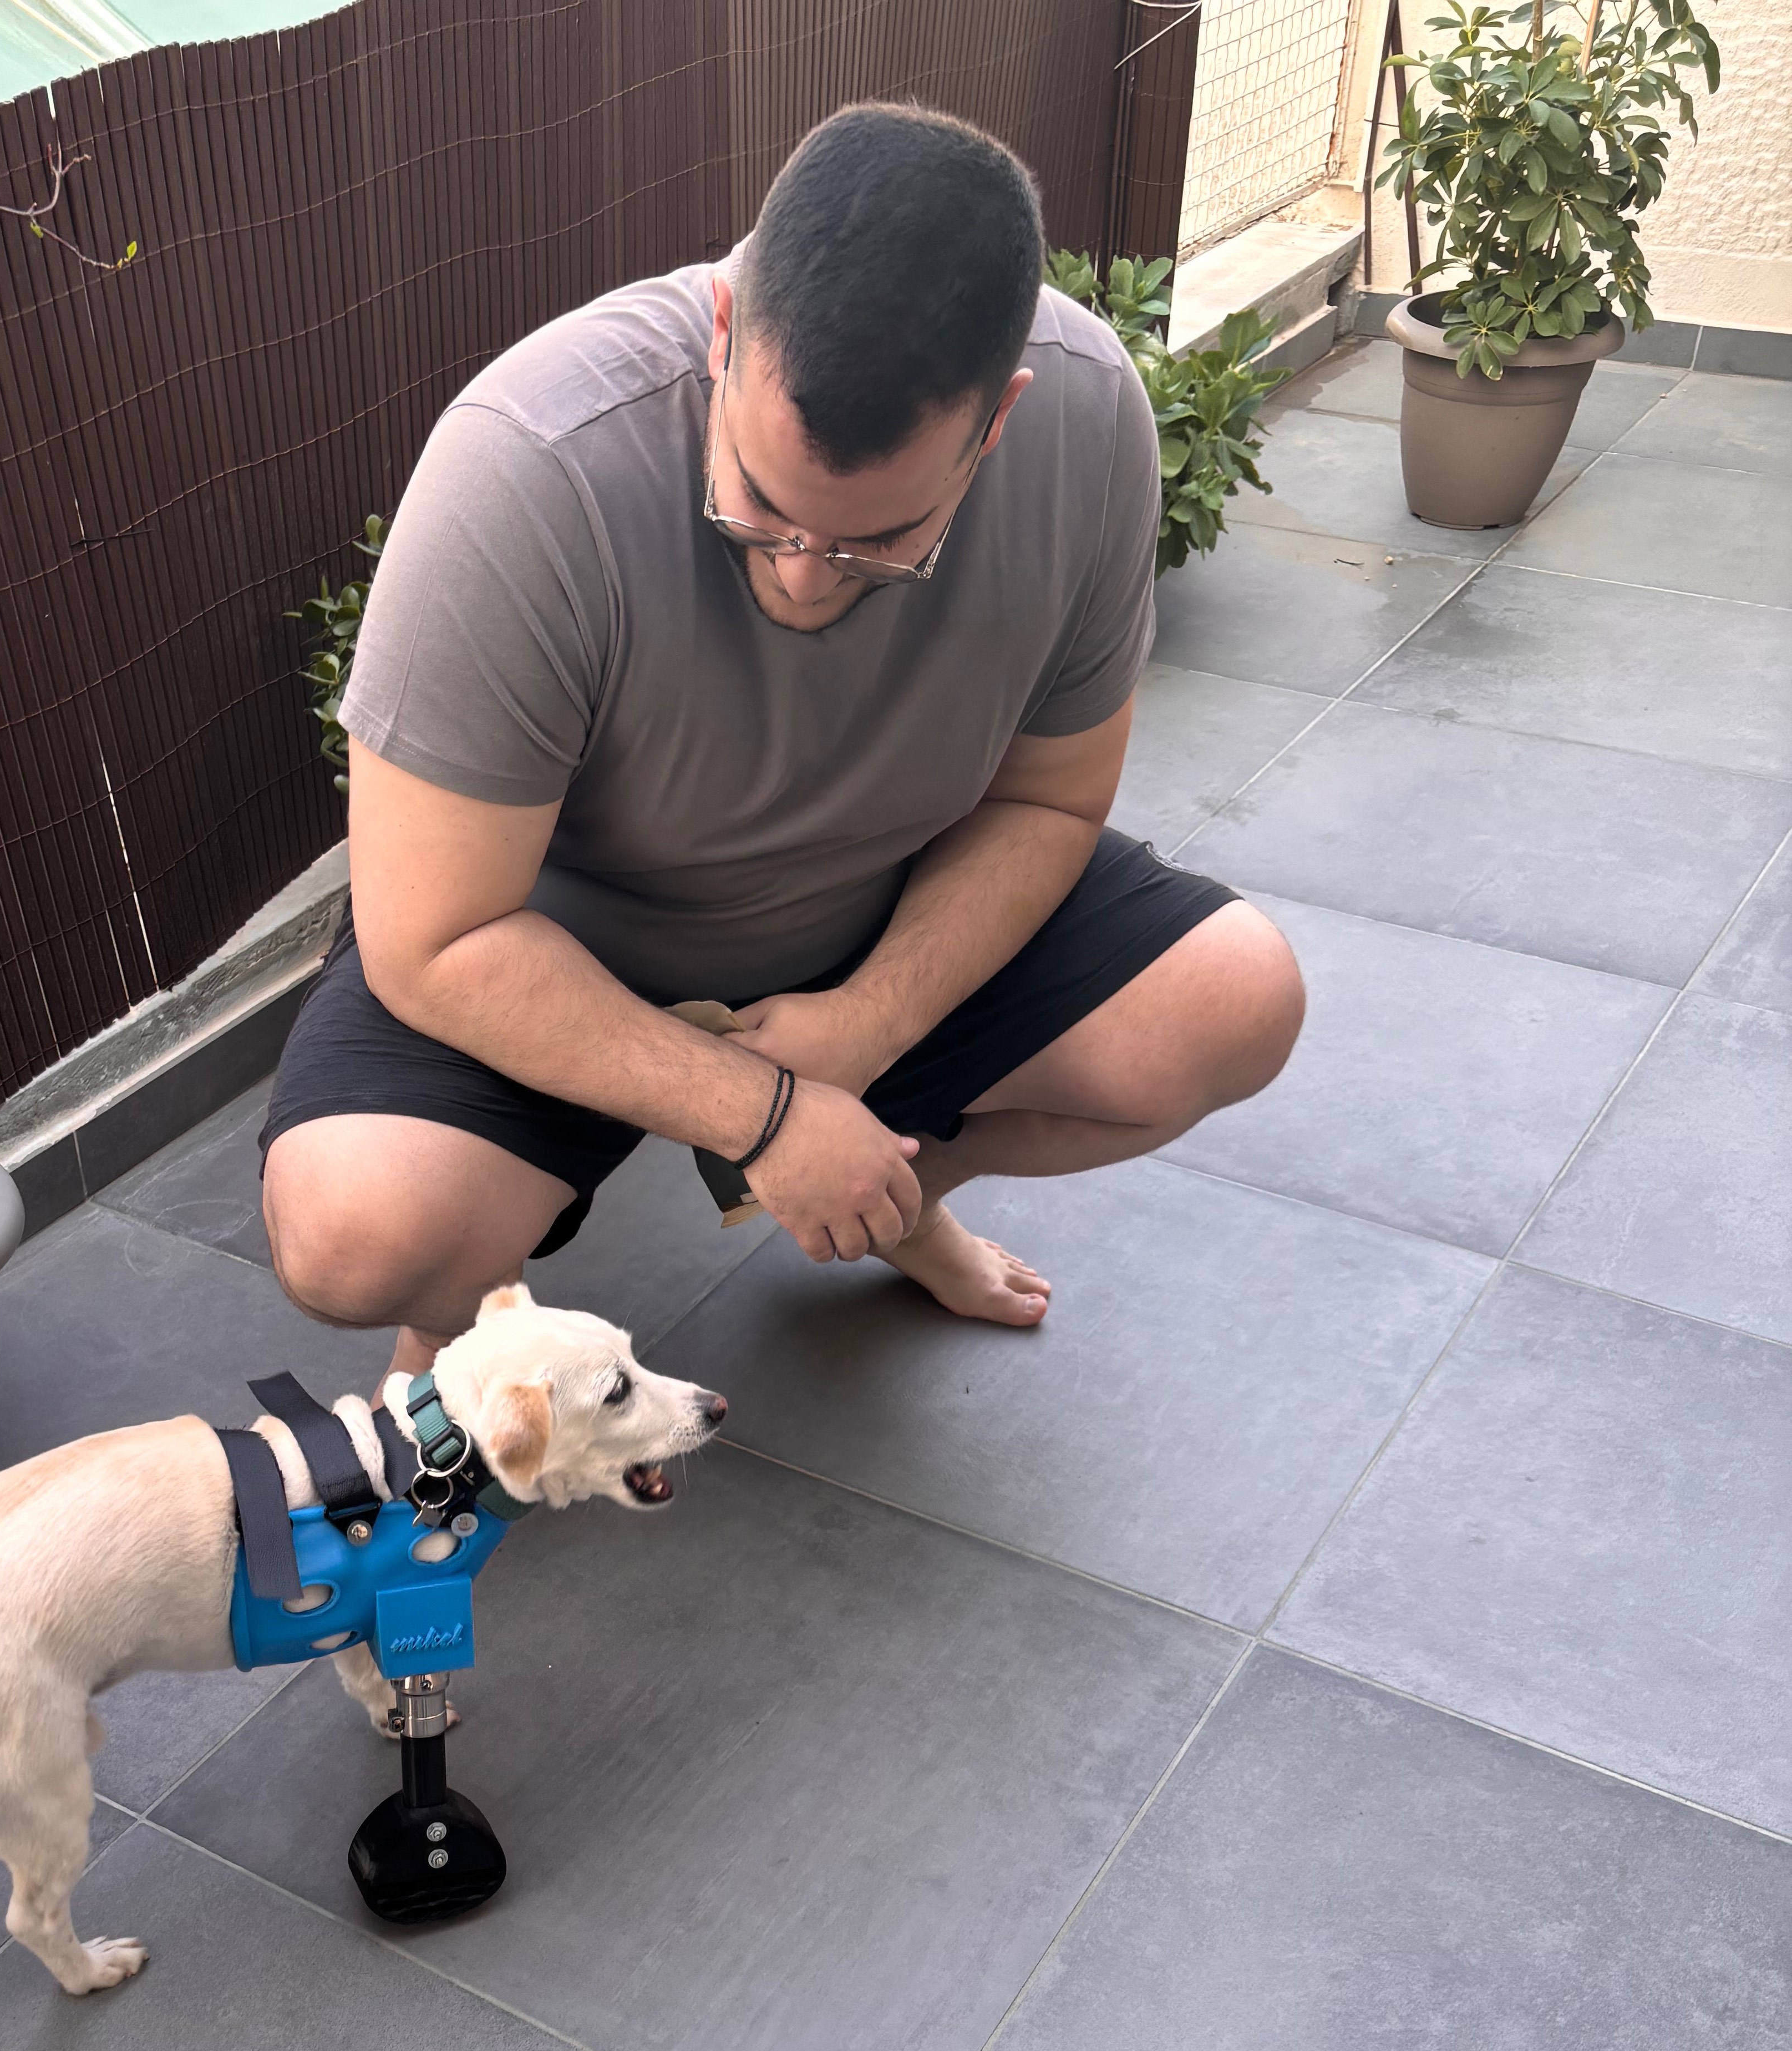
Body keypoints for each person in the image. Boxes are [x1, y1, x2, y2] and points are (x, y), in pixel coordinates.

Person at [261, 101, 1303, 1369]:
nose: (806, 579)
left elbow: (1051, 802)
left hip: (878, 910)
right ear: (722, 334)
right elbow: (436, 938)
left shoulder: (1092, 423)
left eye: (879, 542)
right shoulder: (530, 466)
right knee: (359, 1233)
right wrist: (764, 1112)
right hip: (557, 942)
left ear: (999, 422)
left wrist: (863, 1031)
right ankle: (458, 1318)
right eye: (759, 507)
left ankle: (892, 1196)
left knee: (1235, 1005)